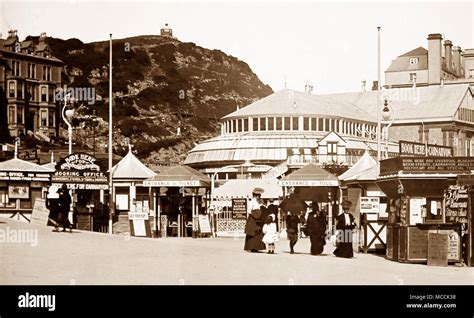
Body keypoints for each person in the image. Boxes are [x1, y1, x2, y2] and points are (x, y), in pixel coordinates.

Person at [244, 188, 266, 252]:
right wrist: (255, 215)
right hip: (253, 219)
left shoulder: (260, 202)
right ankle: (251, 247)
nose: (259, 197)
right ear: (255, 195)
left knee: (258, 233)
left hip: (259, 218)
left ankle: (256, 247)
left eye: (259, 195)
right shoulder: (252, 202)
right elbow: (249, 211)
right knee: (252, 233)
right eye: (258, 195)